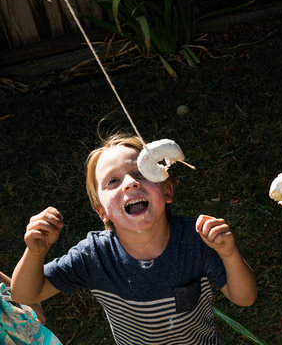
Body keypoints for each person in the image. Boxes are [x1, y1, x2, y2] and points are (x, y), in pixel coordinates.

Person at [10, 133, 257, 345]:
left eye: (141, 172)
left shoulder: (196, 239)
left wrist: (229, 253)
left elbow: (245, 298)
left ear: (167, 190)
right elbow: (24, 295)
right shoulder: (94, 255)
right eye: (113, 181)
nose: (130, 183)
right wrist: (35, 252)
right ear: (102, 212)